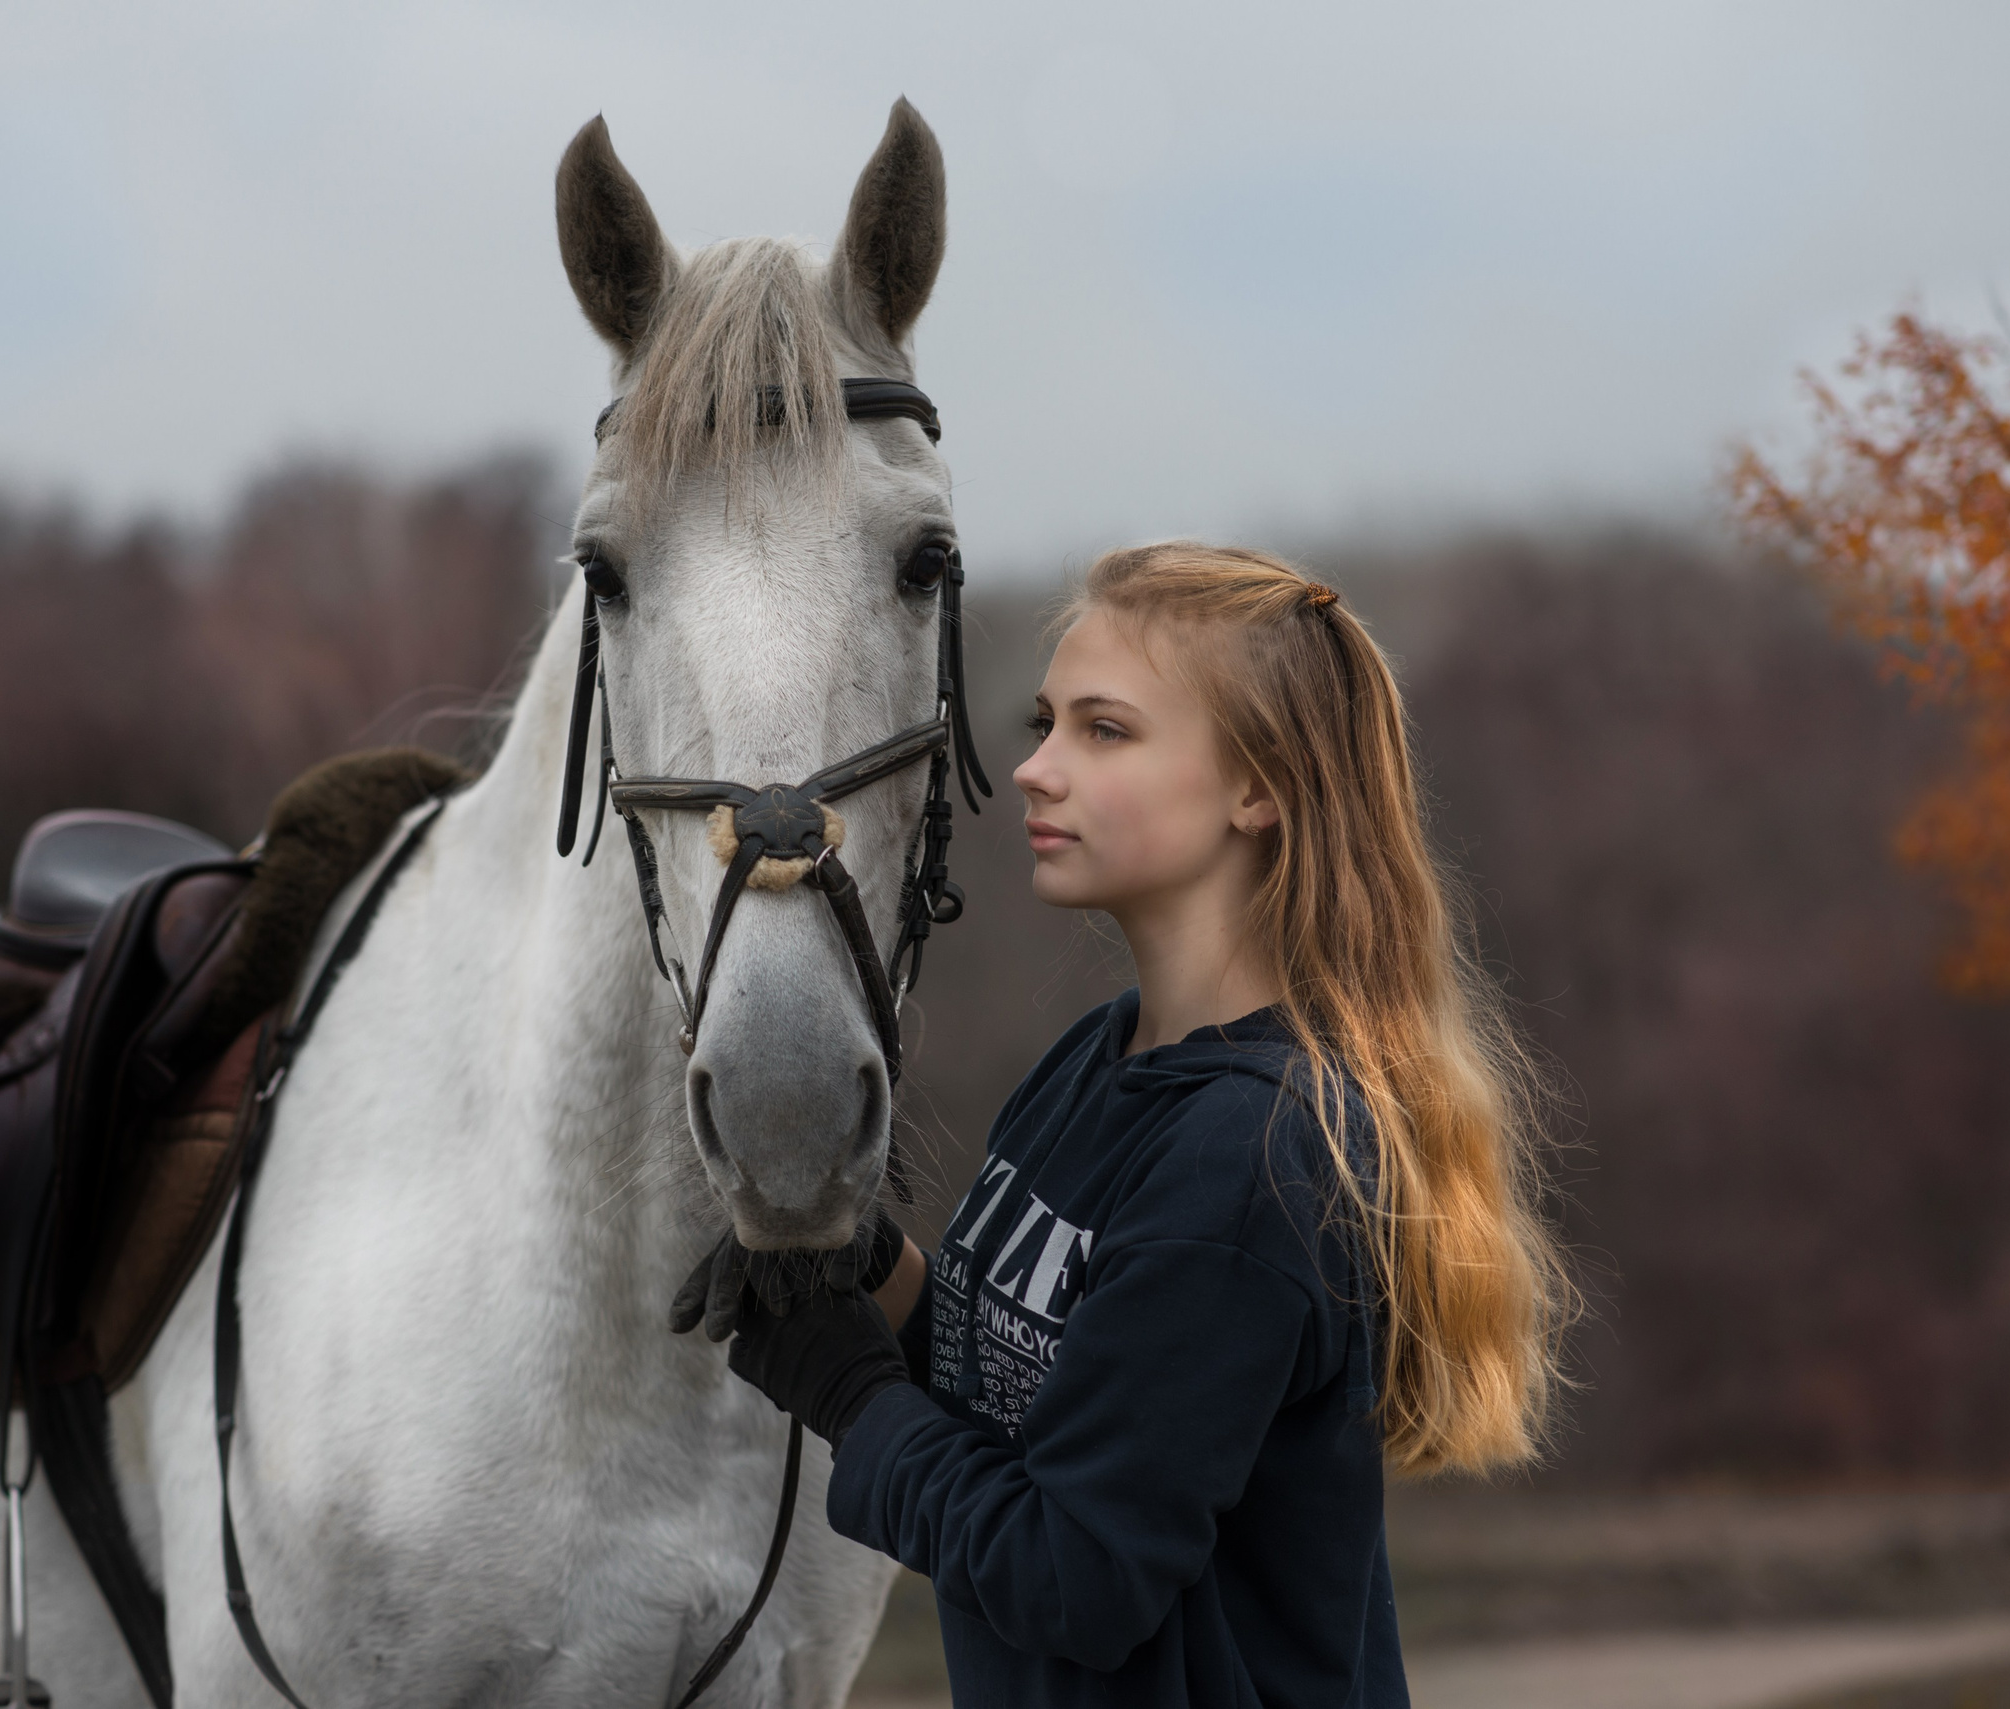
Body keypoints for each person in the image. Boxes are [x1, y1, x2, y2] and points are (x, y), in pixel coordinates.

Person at [673, 541, 1571, 1707]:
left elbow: (1074, 1574)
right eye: (1046, 721)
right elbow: (1031, 1391)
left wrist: (851, 1396)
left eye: (1104, 730)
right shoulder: (1100, 1058)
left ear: (1259, 788)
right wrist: (865, 1272)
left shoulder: (1249, 1159)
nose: (1036, 769)